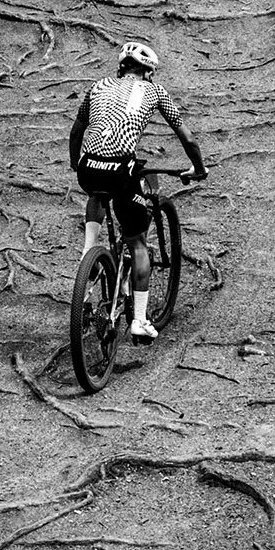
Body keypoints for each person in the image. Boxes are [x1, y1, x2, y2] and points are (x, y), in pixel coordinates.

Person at [68, 43, 206, 343]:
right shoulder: (155, 92)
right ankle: (140, 321)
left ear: (121, 66)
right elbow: (188, 138)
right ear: (149, 72)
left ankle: (88, 250)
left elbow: (77, 132)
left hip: (88, 167)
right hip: (120, 170)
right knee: (138, 243)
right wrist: (198, 168)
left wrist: (76, 164)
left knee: (97, 193)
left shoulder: (98, 86)